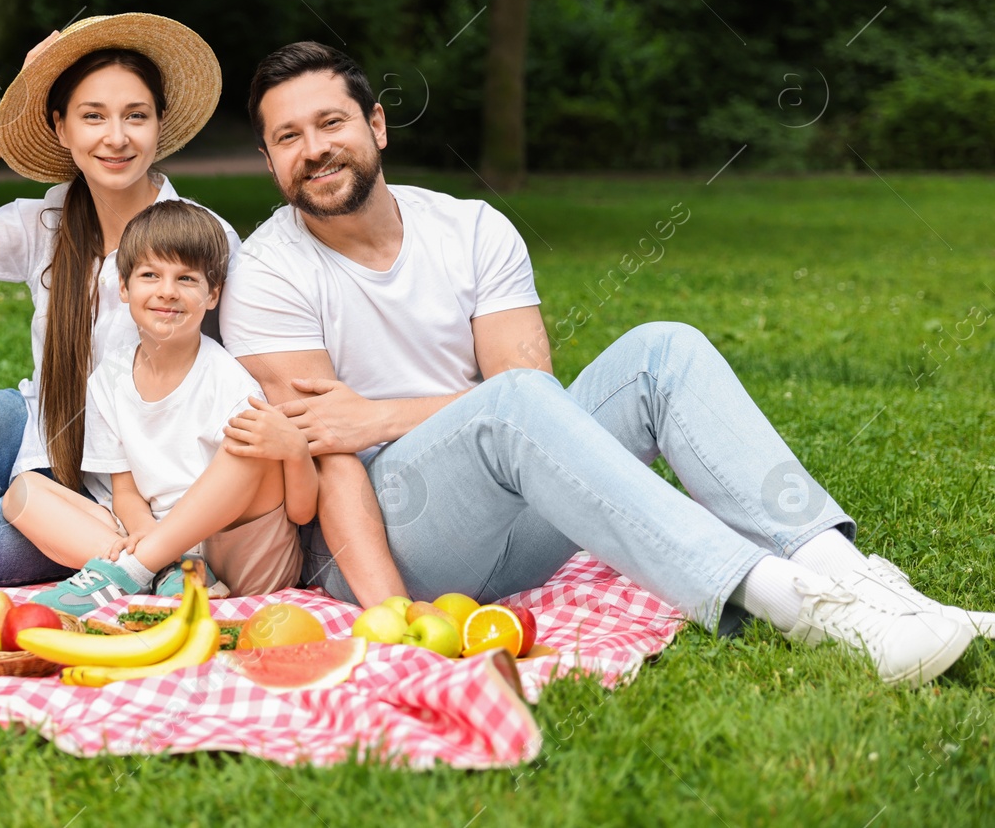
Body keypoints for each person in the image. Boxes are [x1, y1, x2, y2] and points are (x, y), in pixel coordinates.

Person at [218, 40, 988, 688]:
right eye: (288, 137)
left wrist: (383, 412)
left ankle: (852, 580)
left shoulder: (471, 228)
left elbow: (525, 389)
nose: (314, 148)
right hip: (374, 546)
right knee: (512, 404)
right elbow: (331, 445)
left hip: (511, 522)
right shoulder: (270, 271)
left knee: (662, 348)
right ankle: (797, 606)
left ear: (377, 125)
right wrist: (454, 410)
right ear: (269, 159)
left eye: (330, 122)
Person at [0, 13, 239, 591]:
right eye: (92, 116)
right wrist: (10, 120)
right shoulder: (47, 222)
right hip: (37, 427)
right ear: (60, 127)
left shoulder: (203, 241)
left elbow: (244, 381)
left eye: (136, 116)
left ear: (159, 126)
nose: (116, 137)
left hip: (117, 491)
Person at [3, 200, 316, 614]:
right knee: (22, 492)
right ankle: (164, 571)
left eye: (186, 278)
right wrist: (149, 537)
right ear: (125, 287)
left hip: (241, 556)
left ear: (212, 294)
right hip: (157, 547)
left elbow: (301, 510)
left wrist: (294, 451)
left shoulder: (227, 380)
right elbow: (126, 492)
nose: (167, 290)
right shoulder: (108, 381)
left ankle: (135, 569)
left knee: (249, 442)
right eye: (151, 275)